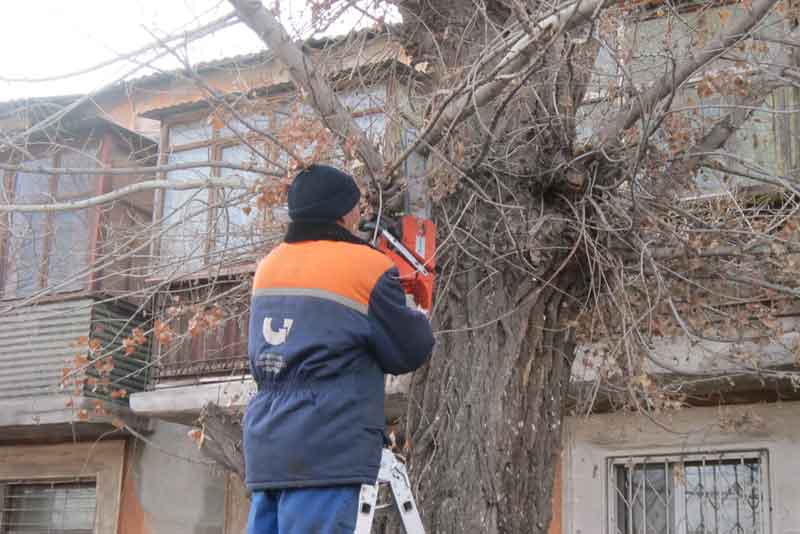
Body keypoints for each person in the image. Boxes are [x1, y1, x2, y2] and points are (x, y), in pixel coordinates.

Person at [245, 164, 435, 533]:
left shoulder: (268, 266)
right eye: (356, 206)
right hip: (328, 446)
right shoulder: (366, 267)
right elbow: (408, 352)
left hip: (268, 445)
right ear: (344, 212)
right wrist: (417, 312)